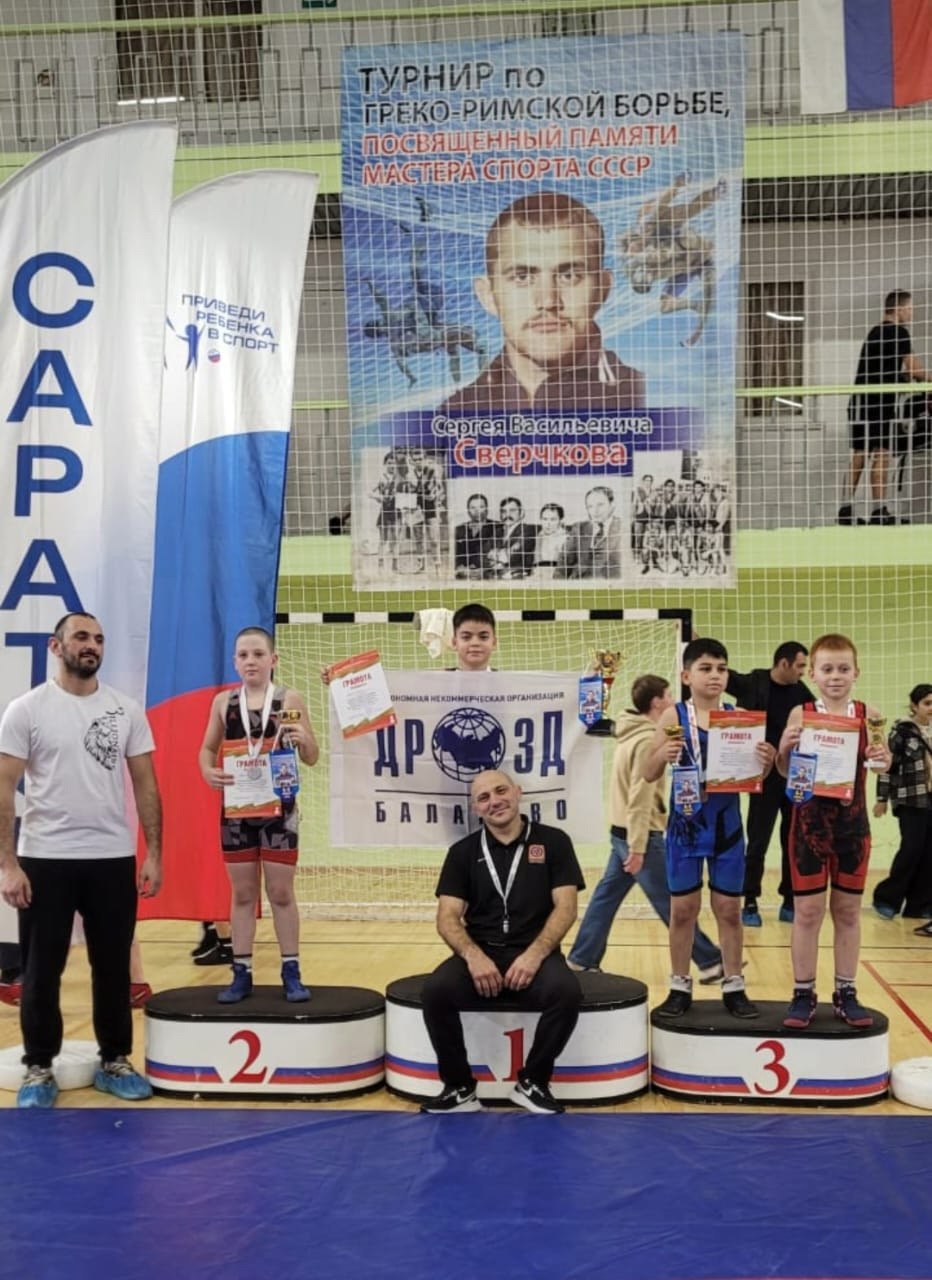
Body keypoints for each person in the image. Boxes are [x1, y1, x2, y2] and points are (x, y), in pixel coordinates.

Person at [0, 612, 162, 1108]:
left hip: (111, 858)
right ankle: (38, 1067)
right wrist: (8, 865)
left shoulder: (125, 709)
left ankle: (115, 1060)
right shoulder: (27, 710)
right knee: (41, 970)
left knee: (112, 967)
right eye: (82, 637)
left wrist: (154, 853)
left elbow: (146, 784)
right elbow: (3, 787)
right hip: (45, 858)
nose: (92, 645)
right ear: (56, 646)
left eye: (99, 639)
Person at [420, 769, 584, 1115]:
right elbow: (447, 917)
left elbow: (567, 907)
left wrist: (535, 955)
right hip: (482, 954)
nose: (494, 801)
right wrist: (473, 956)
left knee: (567, 991)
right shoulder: (462, 852)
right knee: (435, 991)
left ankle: (533, 1082)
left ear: (517, 792)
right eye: (483, 798)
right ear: (475, 809)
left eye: (500, 791)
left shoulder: (554, 842)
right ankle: (459, 1087)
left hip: (536, 953)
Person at [643, 638, 775, 1019]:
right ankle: (679, 985)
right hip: (685, 829)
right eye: (705, 668)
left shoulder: (740, 717)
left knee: (729, 910)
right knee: (683, 910)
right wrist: (662, 754)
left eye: (721, 668)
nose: (715, 675)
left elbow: (756, 778)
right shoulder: (673, 716)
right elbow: (647, 772)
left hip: (727, 829)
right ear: (686, 676)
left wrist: (765, 761)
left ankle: (734, 985)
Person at [567, 675, 724, 983]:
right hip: (639, 835)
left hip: (622, 831)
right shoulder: (646, 742)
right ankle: (710, 962)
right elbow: (640, 799)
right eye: (668, 695)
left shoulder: (628, 731)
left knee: (605, 897)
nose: (673, 701)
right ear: (657, 703)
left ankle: (582, 959)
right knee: (669, 900)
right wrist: (638, 847)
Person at [199, 626, 320, 1005]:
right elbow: (207, 749)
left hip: (280, 810)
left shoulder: (288, 698)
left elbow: (312, 756)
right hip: (237, 810)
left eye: (258, 654)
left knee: (281, 892)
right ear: (235, 662)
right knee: (243, 894)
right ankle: (241, 971)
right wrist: (207, 771)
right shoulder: (223, 702)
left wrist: (304, 741)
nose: (250, 661)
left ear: (273, 660)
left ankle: (291, 970)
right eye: (243, 655)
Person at [440, 191, 644, 415]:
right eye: (522, 277)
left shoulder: (646, 397)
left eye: (569, 276)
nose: (547, 301)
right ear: (487, 295)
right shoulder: (452, 414)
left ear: (603, 288)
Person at [776, 633, 891, 1029]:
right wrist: (785, 747)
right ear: (813, 673)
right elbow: (784, 771)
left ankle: (846, 990)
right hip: (807, 827)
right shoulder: (801, 713)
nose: (836, 676)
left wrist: (883, 757)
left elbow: (882, 766)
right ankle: (802, 992)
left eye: (844, 668)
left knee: (848, 912)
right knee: (808, 912)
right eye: (827, 669)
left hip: (851, 828)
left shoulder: (869, 714)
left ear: (856, 672)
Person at [726, 642, 813, 928]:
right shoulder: (754, 682)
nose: (803, 672)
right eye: (800, 666)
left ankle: (789, 899)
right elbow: (722, 673)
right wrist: (690, 636)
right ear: (784, 663)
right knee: (757, 841)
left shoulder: (802, 693)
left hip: (793, 776)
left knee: (793, 840)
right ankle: (750, 900)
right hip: (763, 777)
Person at [840, 290, 929, 526]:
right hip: (878, 403)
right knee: (881, 452)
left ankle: (846, 508)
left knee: (861, 452)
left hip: (861, 401)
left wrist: (902, 378)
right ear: (899, 308)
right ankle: (879, 510)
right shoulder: (899, 332)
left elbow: (881, 370)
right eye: (910, 309)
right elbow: (915, 369)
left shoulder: (875, 332)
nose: (911, 313)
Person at [620, 172, 726, 348]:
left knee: (677, 220)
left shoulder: (652, 226)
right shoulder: (654, 265)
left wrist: (677, 185)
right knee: (666, 306)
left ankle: (713, 193)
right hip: (688, 263)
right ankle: (697, 315)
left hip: (692, 253)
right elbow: (664, 255)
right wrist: (691, 304)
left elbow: (662, 206)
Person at [872, 683, 932, 922]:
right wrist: (881, 799)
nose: (931, 708)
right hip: (910, 799)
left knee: (929, 853)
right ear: (914, 706)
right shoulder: (902, 732)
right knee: (911, 849)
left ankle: (919, 904)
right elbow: (887, 768)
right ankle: (886, 899)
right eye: (927, 703)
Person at [555, 485, 623, 579]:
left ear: (612, 505)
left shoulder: (623, 529)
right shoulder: (578, 529)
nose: (595, 511)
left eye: (600, 505)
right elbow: (562, 565)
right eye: (590, 506)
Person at [488, 496, 537, 579]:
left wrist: (494, 556)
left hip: (519, 578)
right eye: (504, 511)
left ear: (521, 513)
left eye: (512, 511)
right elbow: (480, 554)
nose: (507, 515)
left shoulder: (528, 530)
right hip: (497, 578)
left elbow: (513, 557)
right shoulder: (497, 532)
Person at [453, 493, 500, 579]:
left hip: (489, 576)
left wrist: (485, 571)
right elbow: (455, 555)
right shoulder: (459, 529)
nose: (477, 511)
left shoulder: (497, 527)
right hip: (463, 576)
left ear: (487, 509)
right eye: (473, 508)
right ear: (468, 510)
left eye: (481, 507)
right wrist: (460, 568)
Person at [533, 503, 567, 578]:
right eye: (545, 519)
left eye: (553, 519)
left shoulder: (566, 539)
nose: (548, 524)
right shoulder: (539, 536)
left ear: (561, 521)